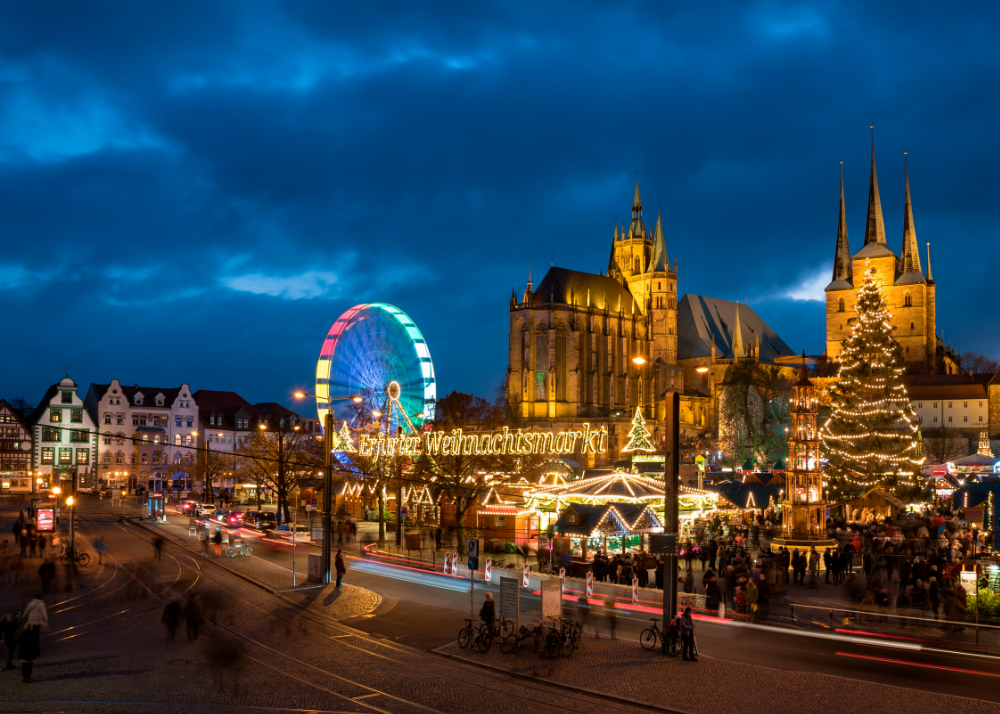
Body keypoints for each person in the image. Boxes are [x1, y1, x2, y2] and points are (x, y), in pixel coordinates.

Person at [19, 595, 47, 683]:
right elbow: (43, 613)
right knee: (29, 665)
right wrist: (45, 620)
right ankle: (28, 677)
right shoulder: (41, 604)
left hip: (31, 621)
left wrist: (23, 616)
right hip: (38, 622)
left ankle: (23, 676)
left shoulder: (30, 604)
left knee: (24, 665)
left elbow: (26, 611)